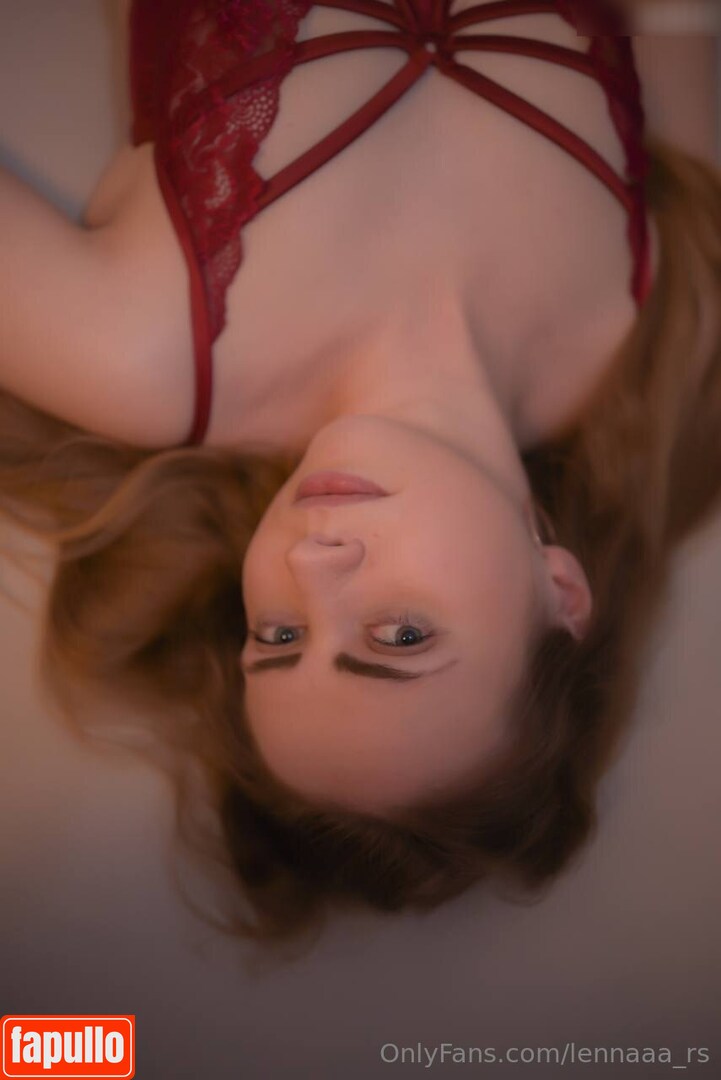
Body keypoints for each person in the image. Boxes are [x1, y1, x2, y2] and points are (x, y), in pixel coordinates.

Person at [0, 0, 720, 945]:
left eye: (278, 633)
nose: (312, 564)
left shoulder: (140, 359)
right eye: (400, 633)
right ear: (559, 593)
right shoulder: (669, 317)